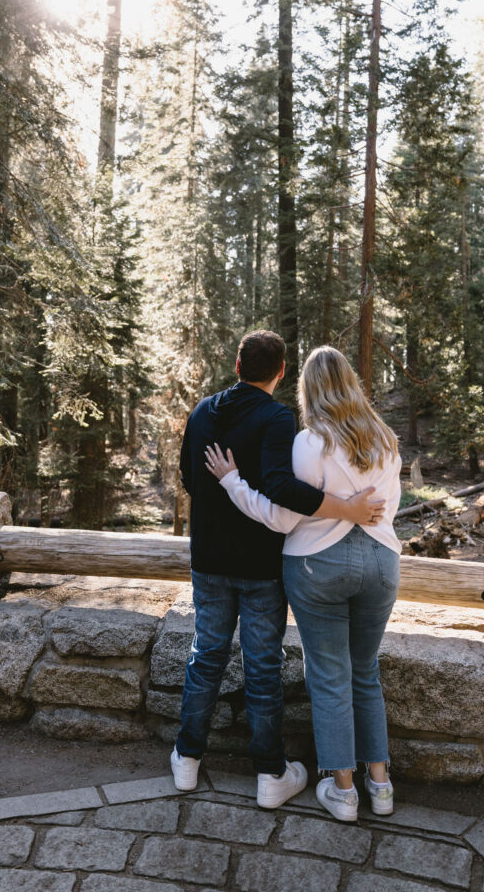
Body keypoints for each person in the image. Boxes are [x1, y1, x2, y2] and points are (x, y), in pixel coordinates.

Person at [172, 330, 386, 808]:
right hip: (261, 565)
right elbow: (281, 488)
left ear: (237, 364)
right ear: (282, 371)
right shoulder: (277, 418)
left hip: (208, 559)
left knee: (206, 654)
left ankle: (187, 759)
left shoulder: (203, 411)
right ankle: (270, 773)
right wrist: (346, 509)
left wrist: (221, 496)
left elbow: (188, 476)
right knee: (263, 665)